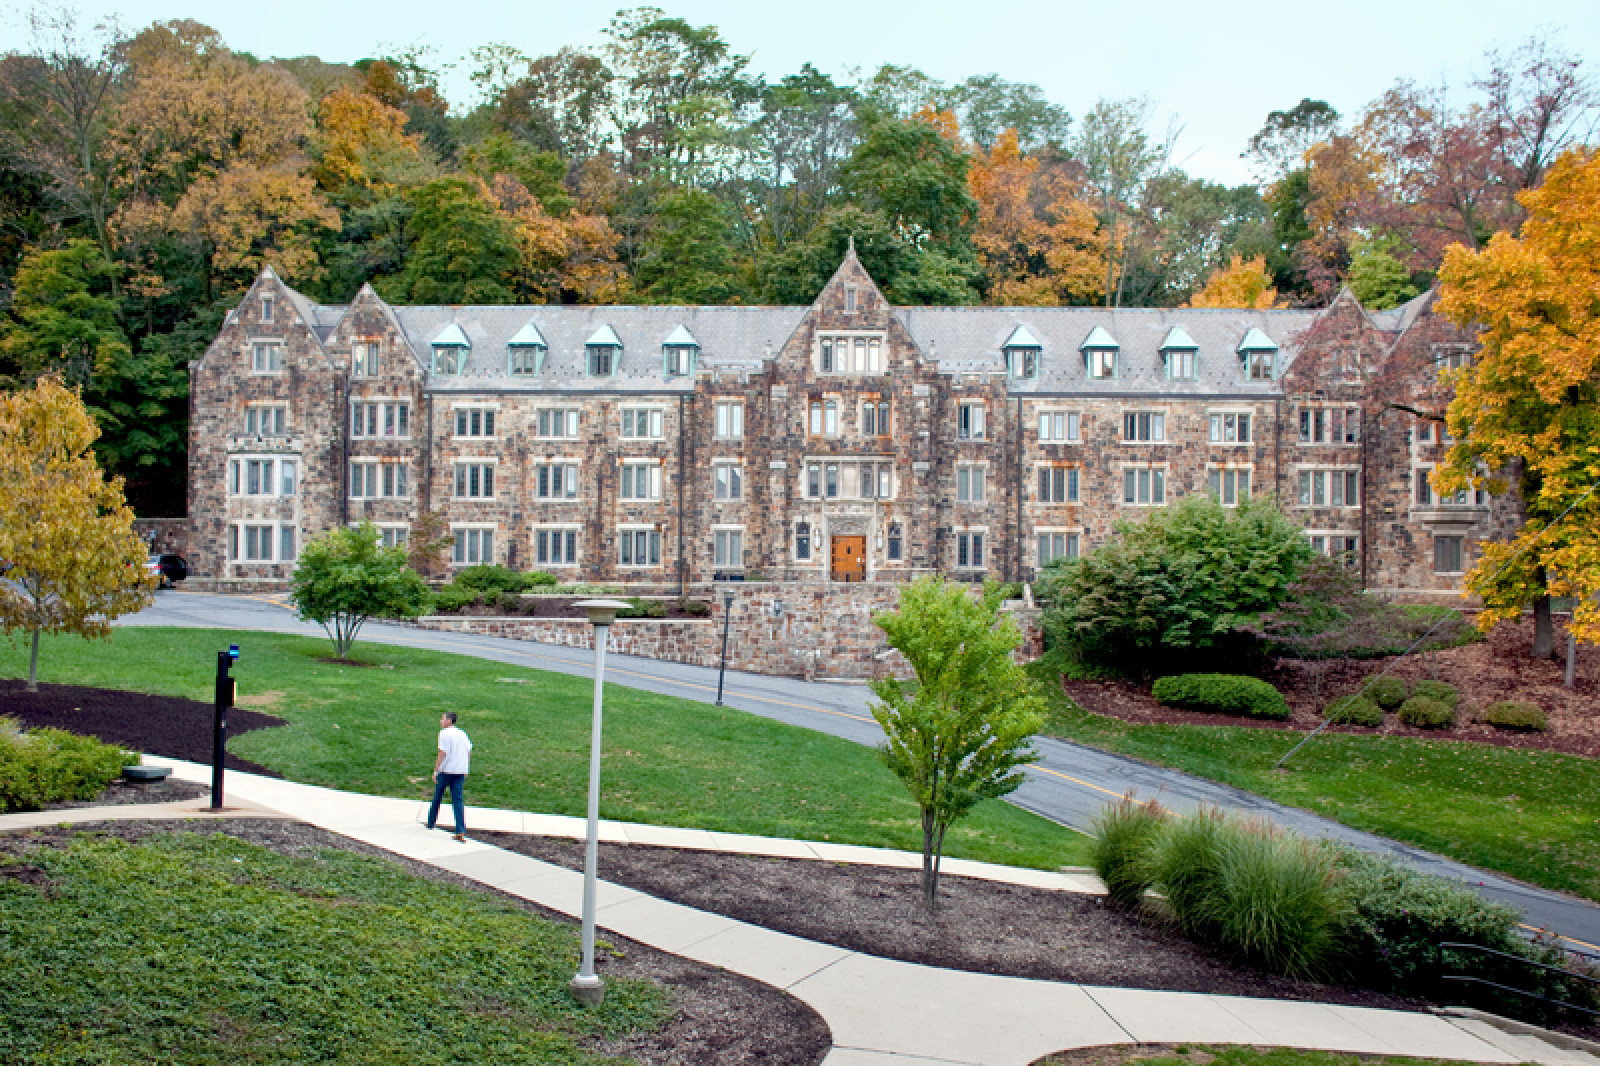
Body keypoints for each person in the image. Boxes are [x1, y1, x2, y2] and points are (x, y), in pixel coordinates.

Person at [427, 711, 472, 841]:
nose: (441, 721)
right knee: (457, 799)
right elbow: (468, 751)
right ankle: (460, 829)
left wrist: (436, 770)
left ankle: (431, 822)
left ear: (449, 721)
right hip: (460, 771)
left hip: (446, 770)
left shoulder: (444, 734)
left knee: (437, 797)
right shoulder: (462, 734)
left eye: (442, 719)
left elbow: (442, 752)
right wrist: (465, 767)